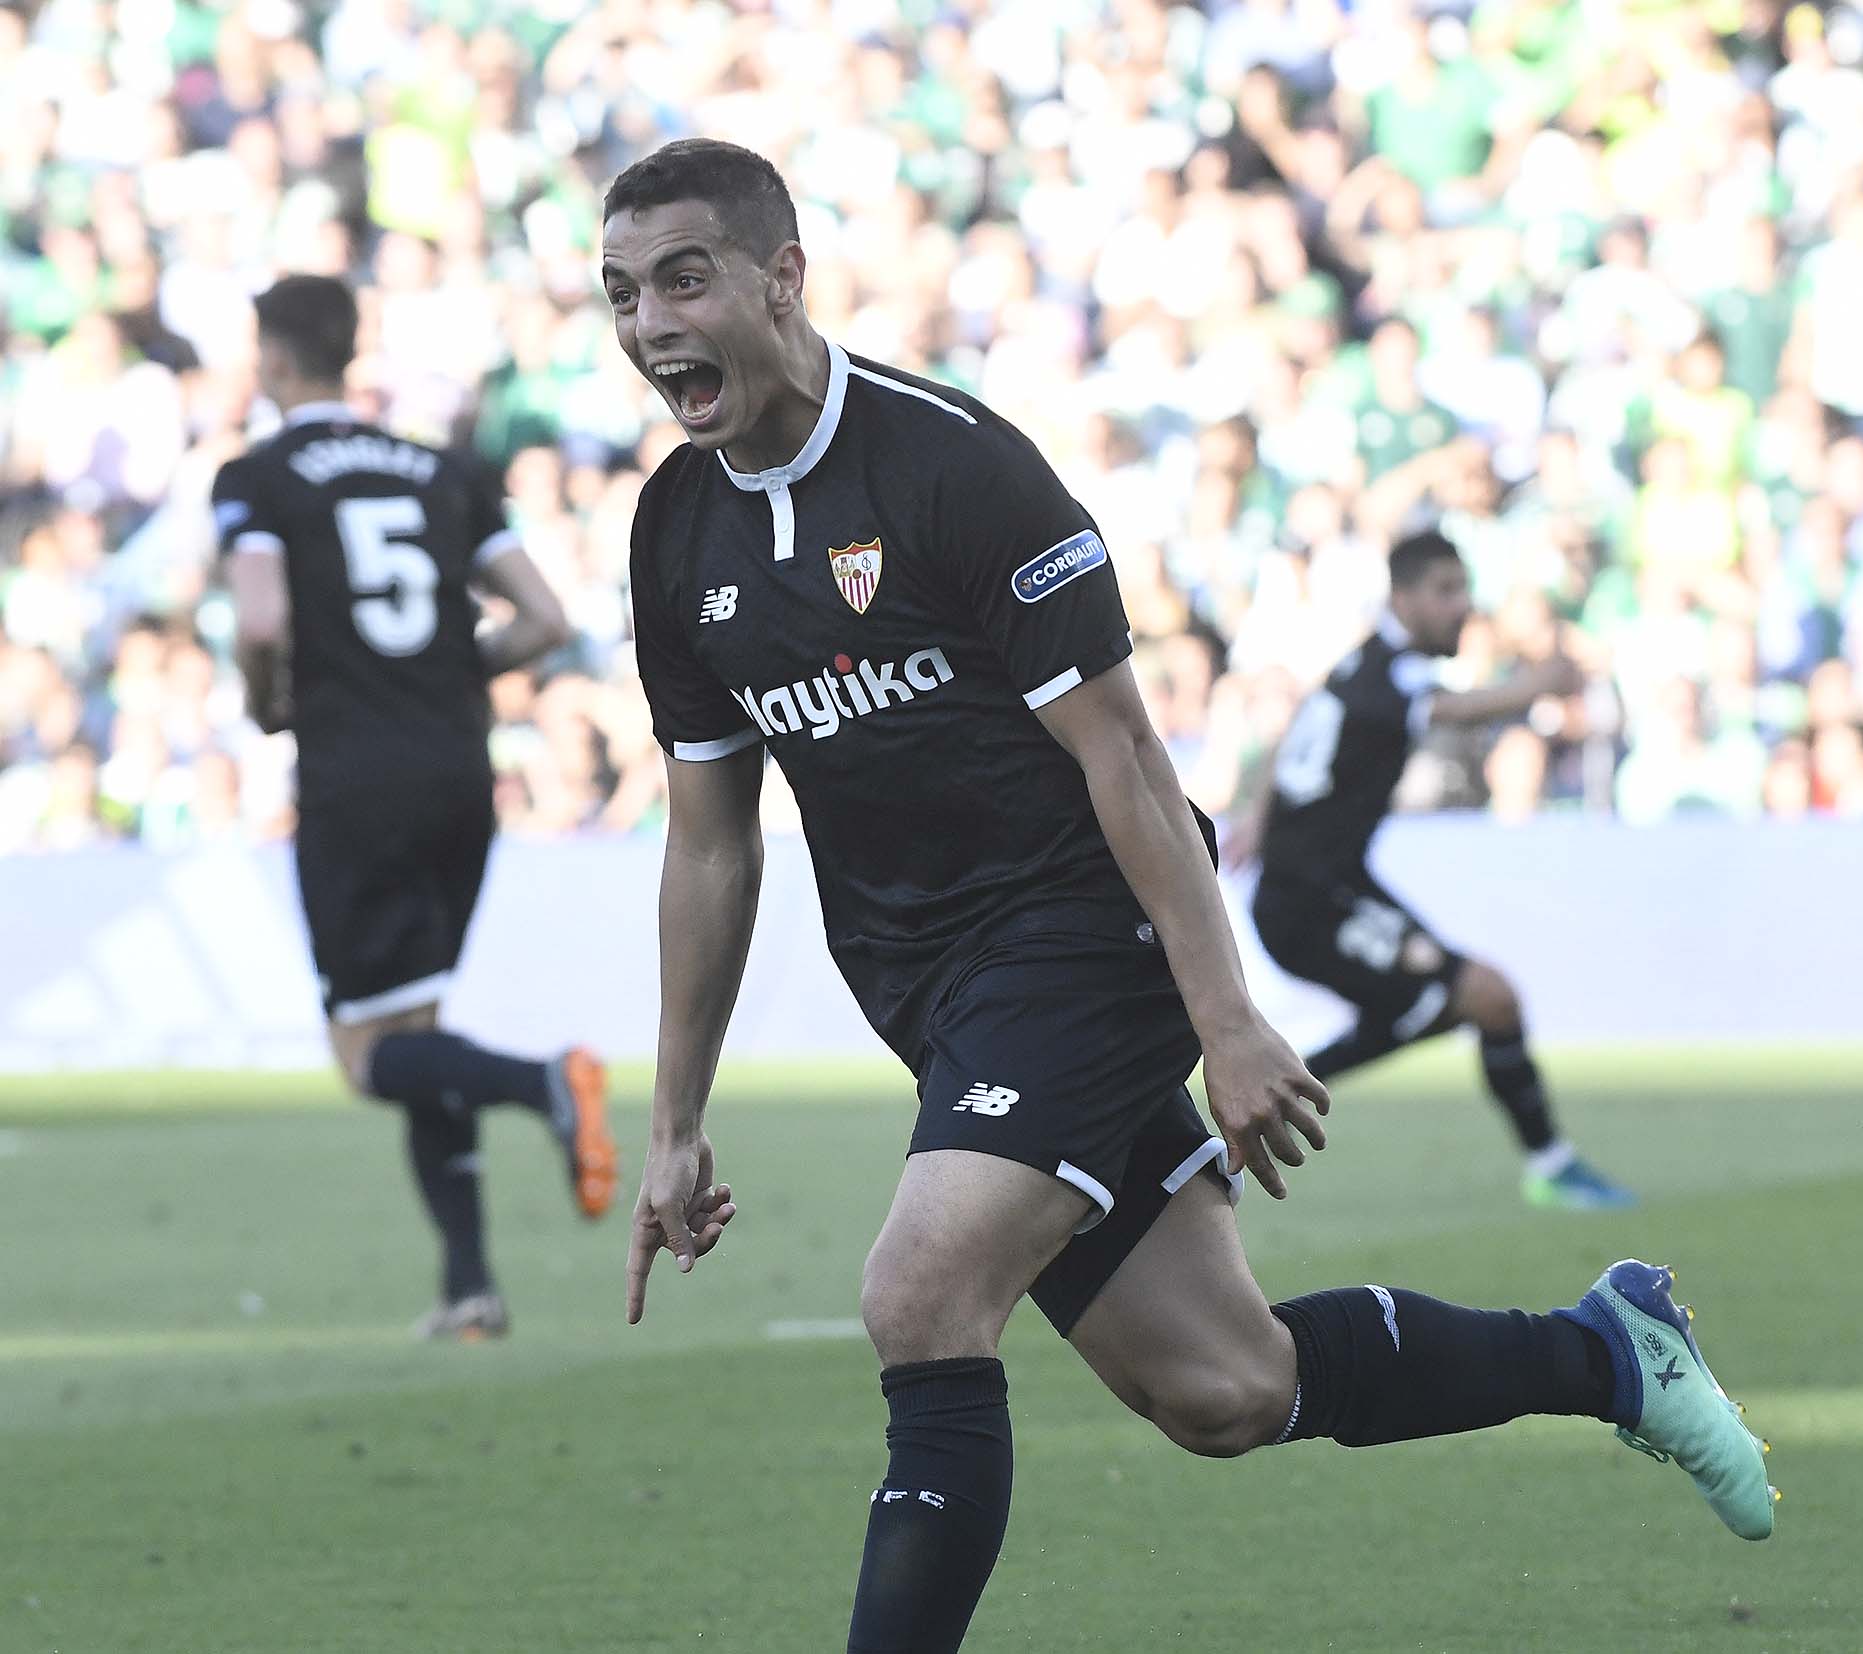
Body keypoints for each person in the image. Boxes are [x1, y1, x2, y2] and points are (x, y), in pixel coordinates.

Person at [603, 139, 1774, 1653]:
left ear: (782, 276)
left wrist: (1225, 1015)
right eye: (623, 294)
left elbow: (1132, 761)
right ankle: (1612, 1351)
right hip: (930, 991)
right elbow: (710, 842)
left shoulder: (956, 466)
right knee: (1228, 1387)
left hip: (1087, 936)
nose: (650, 325)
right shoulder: (671, 532)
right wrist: (675, 1120)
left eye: (683, 279)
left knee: (920, 1290)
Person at [216, 274, 617, 1341]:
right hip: (457, 769)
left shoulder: (260, 476)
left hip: (355, 776)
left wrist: (269, 705)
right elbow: (541, 618)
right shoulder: (443, 470)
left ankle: (543, 1081)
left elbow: (260, 624)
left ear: (273, 360)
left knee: (368, 1056)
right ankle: (469, 1286)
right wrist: (443, 679)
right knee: (418, 1018)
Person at [1233, 529, 1636, 1209]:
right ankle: (1552, 1166)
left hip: (1326, 892)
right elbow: (1451, 710)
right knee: (1484, 997)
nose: (1462, 607)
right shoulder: (1388, 673)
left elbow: (1300, 725)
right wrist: (1538, 684)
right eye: (1446, 591)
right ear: (1404, 596)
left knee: (1456, 1006)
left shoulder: (1362, 666)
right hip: (1310, 903)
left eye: (1465, 590)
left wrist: (1258, 812)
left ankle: (1262, 1096)